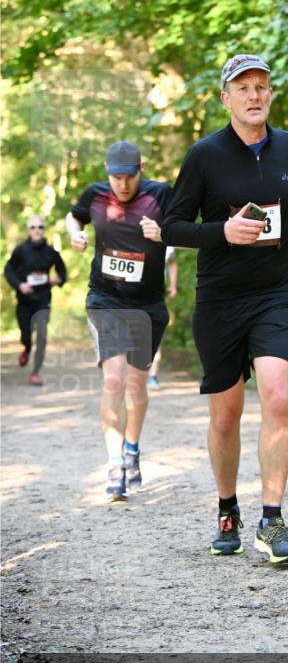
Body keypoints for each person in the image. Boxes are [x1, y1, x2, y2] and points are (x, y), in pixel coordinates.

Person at [162, 53, 288, 566]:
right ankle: (227, 509)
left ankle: (272, 522)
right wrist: (221, 232)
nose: (254, 95)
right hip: (220, 301)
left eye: (262, 86)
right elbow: (173, 225)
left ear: (270, 94)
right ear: (226, 97)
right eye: (243, 87)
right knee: (225, 417)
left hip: (275, 295)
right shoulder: (204, 155)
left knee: (277, 396)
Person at [65, 141, 172, 502]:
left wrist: (164, 233)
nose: (122, 185)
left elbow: (191, 230)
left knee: (137, 387)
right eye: (116, 177)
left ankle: (132, 448)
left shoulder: (160, 195)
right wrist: (74, 234)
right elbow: (74, 215)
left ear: (141, 169)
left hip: (147, 305)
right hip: (105, 299)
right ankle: (114, 463)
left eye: (129, 177)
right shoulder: (95, 195)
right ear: (107, 172)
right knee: (114, 381)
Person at [4, 215, 67, 386]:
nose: (37, 230)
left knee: (42, 337)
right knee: (26, 336)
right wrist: (20, 285)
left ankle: (35, 372)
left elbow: (63, 273)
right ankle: (26, 348)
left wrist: (58, 279)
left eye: (40, 227)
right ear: (28, 230)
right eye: (33, 227)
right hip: (24, 301)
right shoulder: (20, 250)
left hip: (43, 301)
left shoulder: (51, 252)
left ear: (44, 230)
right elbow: (8, 270)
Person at [147, 246, 178, 389]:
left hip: (156, 295)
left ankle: (152, 376)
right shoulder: (126, 231)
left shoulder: (163, 235)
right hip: (126, 296)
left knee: (154, 336)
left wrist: (173, 285)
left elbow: (172, 262)